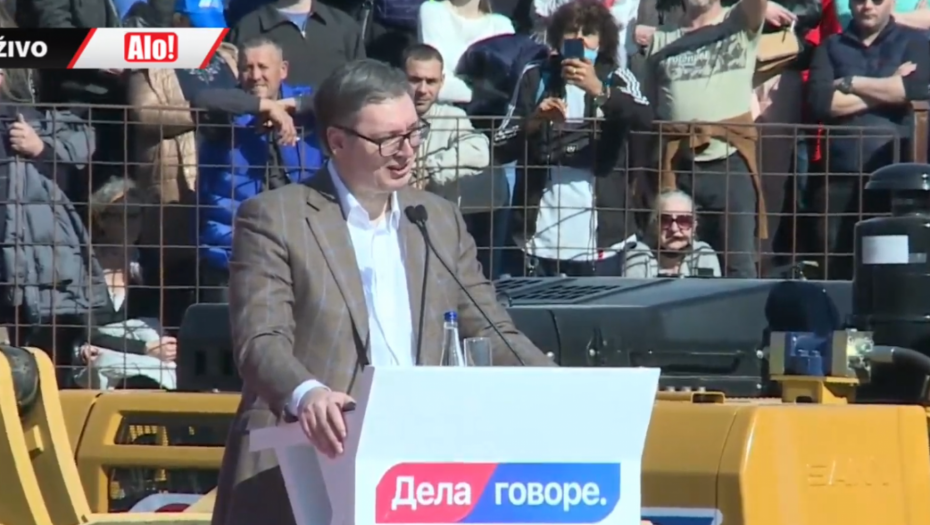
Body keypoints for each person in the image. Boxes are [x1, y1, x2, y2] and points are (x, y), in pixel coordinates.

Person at [211, 59, 554, 525]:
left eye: (413, 133)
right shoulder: (275, 218)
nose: (406, 151)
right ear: (337, 141)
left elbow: (490, 329)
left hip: (416, 470)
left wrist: (559, 386)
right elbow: (261, 341)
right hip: (303, 464)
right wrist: (308, 395)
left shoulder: (436, 218)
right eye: (388, 139)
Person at [507, 0, 653, 277]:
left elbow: (646, 119)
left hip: (602, 237)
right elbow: (500, 144)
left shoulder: (617, 76)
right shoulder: (535, 75)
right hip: (539, 236)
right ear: (558, 38)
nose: (579, 39)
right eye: (571, 32)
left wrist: (600, 91)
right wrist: (534, 121)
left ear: (603, 40)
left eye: (589, 32)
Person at [643, 0, 769, 278]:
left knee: (738, 265)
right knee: (672, 262)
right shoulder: (661, 39)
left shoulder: (739, 21)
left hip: (730, 162)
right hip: (677, 165)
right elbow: (649, 107)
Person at [807, 0, 930, 279]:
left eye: (876, 0)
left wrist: (851, 82)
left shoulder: (915, 42)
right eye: (860, 0)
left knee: (891, 268)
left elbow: (917, 89)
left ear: (892, 3)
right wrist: (889, 87)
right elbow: (821, 102)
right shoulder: (830, 46)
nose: (867, 7)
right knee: (836, 268)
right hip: (838, 175)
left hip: (896, 179)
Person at [194, 38, 322, 303]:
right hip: (231, 252)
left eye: (263, 67)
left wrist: (292, 106)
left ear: (283, 70)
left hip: (300, 250)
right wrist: (265, 107)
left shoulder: (309, 107)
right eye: (247, 68)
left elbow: (343, 99)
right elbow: (202, 99)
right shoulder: (226, 109)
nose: (254, 76)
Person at [403, 44, 506, 279]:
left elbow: (478, 151)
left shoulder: (452, 117)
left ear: (442, 82)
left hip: (439, 226)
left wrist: (429, 169)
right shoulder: (385, 114)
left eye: (431, 81)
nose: (422, 90)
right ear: (401, 78)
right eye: (415, 80)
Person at [75, 178, 177, 390]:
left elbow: (159, 324)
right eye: (119, 215)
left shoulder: (151, 264)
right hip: (98, 350)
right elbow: (85, 329)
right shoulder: (83, 263)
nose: (129, 223)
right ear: (101, 219)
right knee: (103, 362)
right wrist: (144, 348)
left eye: (135, 215)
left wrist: (156, 347)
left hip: (146, 351)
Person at [228, 0, 365, 88]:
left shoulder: (344, 27)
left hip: (332, 124)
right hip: (266, 124)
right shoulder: (248, 28)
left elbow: (361, 90)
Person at [418, 0, 516, 103]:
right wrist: (485, 95)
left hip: (491, 111)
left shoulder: (502, 25)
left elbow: (509, 91)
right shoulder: (433, 10)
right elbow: (435, 85)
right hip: (443, 108)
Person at [624, 189, 721, 277]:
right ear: (655, 225)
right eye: (665, 220)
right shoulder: (638, 254)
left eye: (683, 221)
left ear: (694, 226)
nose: (674, 229)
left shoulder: (703, 253)